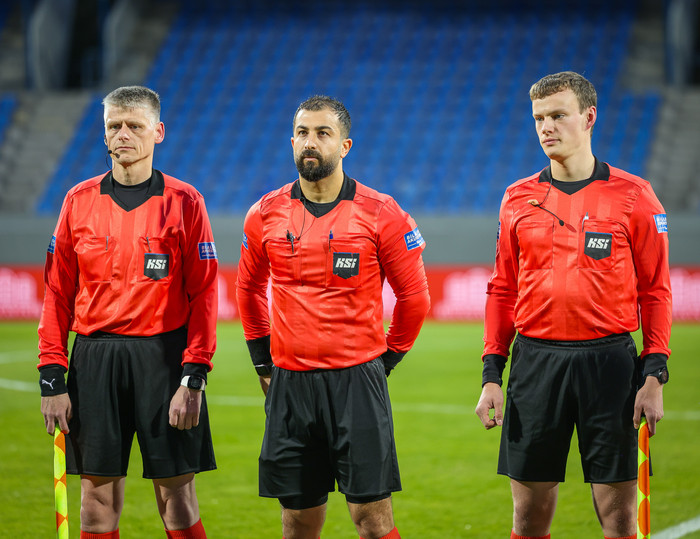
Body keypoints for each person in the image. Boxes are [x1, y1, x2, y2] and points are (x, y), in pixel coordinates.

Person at [475, 71, 672, 539]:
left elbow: (656, 291)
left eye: (558, 115)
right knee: (528, 517)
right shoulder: (517, 198)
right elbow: (502, 289)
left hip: (610, 366)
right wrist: (491, 375)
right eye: (539, 118)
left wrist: (654, 374)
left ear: (589, 117)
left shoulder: (634, 195)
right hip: (535, 364)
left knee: (619, 519)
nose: (546, 127)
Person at [236, 95, 430, 539]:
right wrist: (262, 361)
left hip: (357, 382)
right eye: (302, 132)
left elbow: (415, 297)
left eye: (323, 133)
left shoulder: (382, 212)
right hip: (290, 384)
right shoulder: (264, 213)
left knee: (373, 520)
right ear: (292, 142)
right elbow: (247, 290)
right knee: (298, 521)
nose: (311, 141)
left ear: (344, 146)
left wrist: (387, 361)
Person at [38, 86, 217, 539]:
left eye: (134, 125)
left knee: (177, 499)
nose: (123, 134)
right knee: (94, 505)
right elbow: (57, 293)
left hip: (163, 359)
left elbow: (204, 295)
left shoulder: (185, 201)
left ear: (158, 132)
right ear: (103, 134)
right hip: (94, 358)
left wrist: (193, 376)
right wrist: (52, 376)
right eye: (113, 126)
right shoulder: (78, 200)